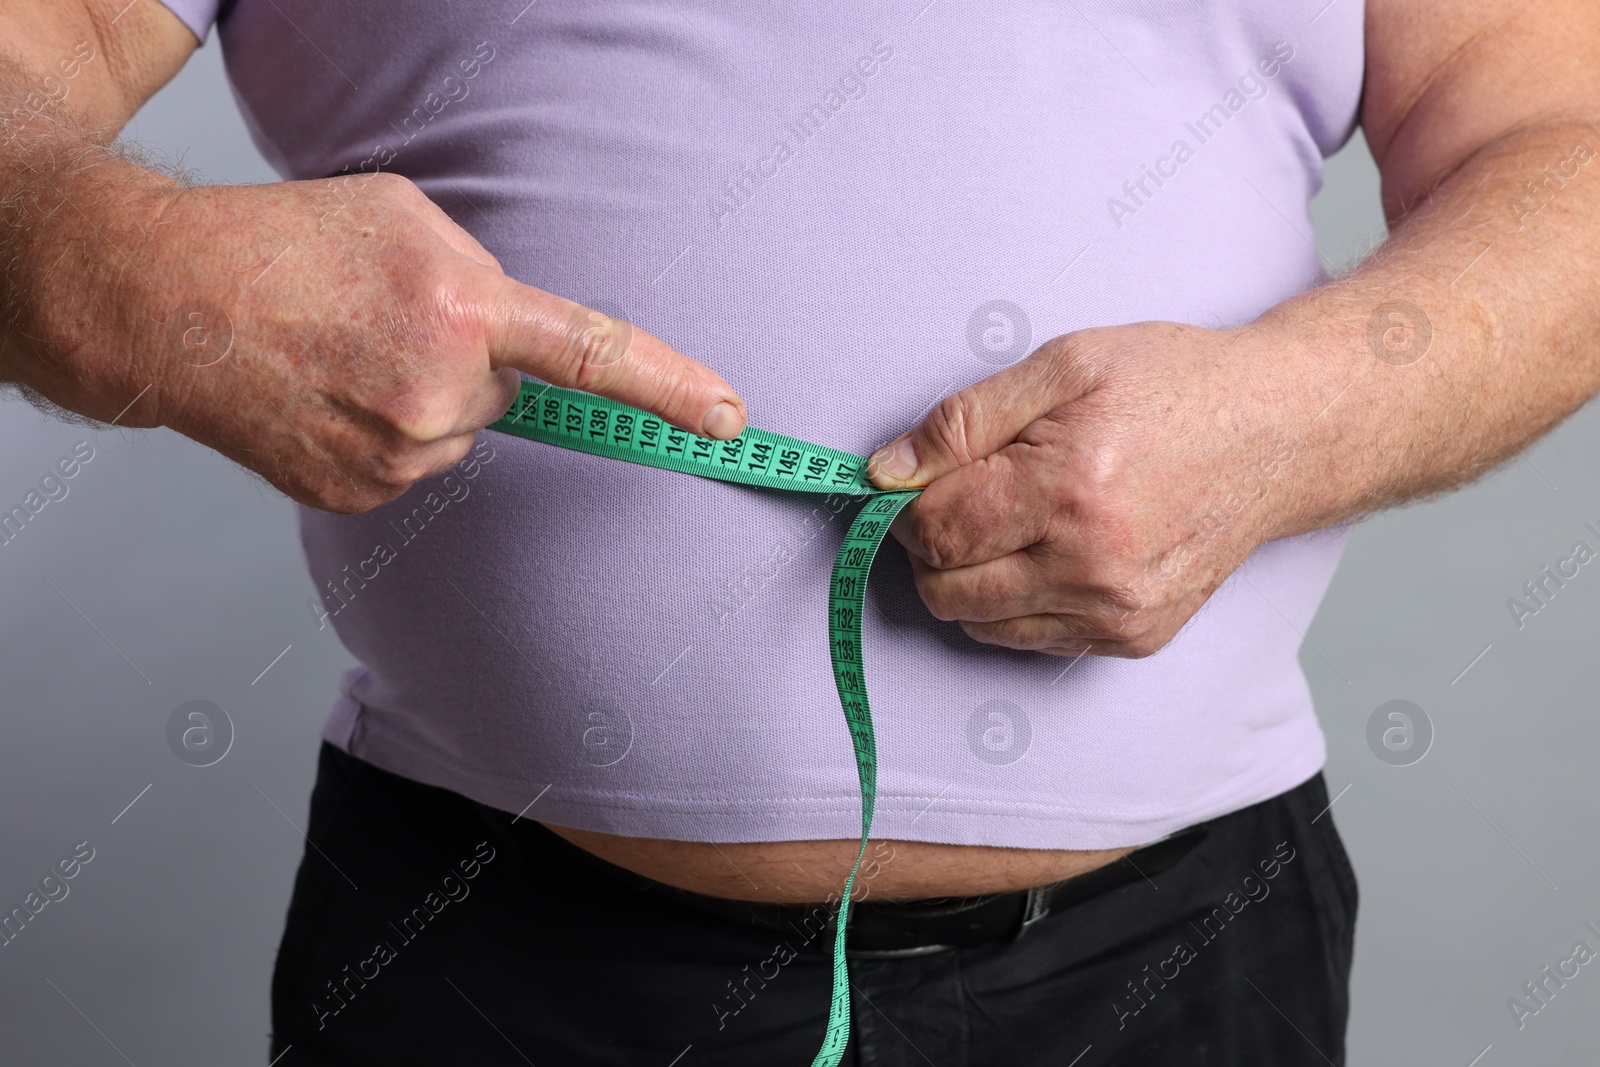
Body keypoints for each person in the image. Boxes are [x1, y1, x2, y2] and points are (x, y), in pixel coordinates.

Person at [2, 0, 1596, 1062]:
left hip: (1187, 955)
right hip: (491, 946)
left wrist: (1293, 421)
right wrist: (140, 278)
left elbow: (1564, 142)